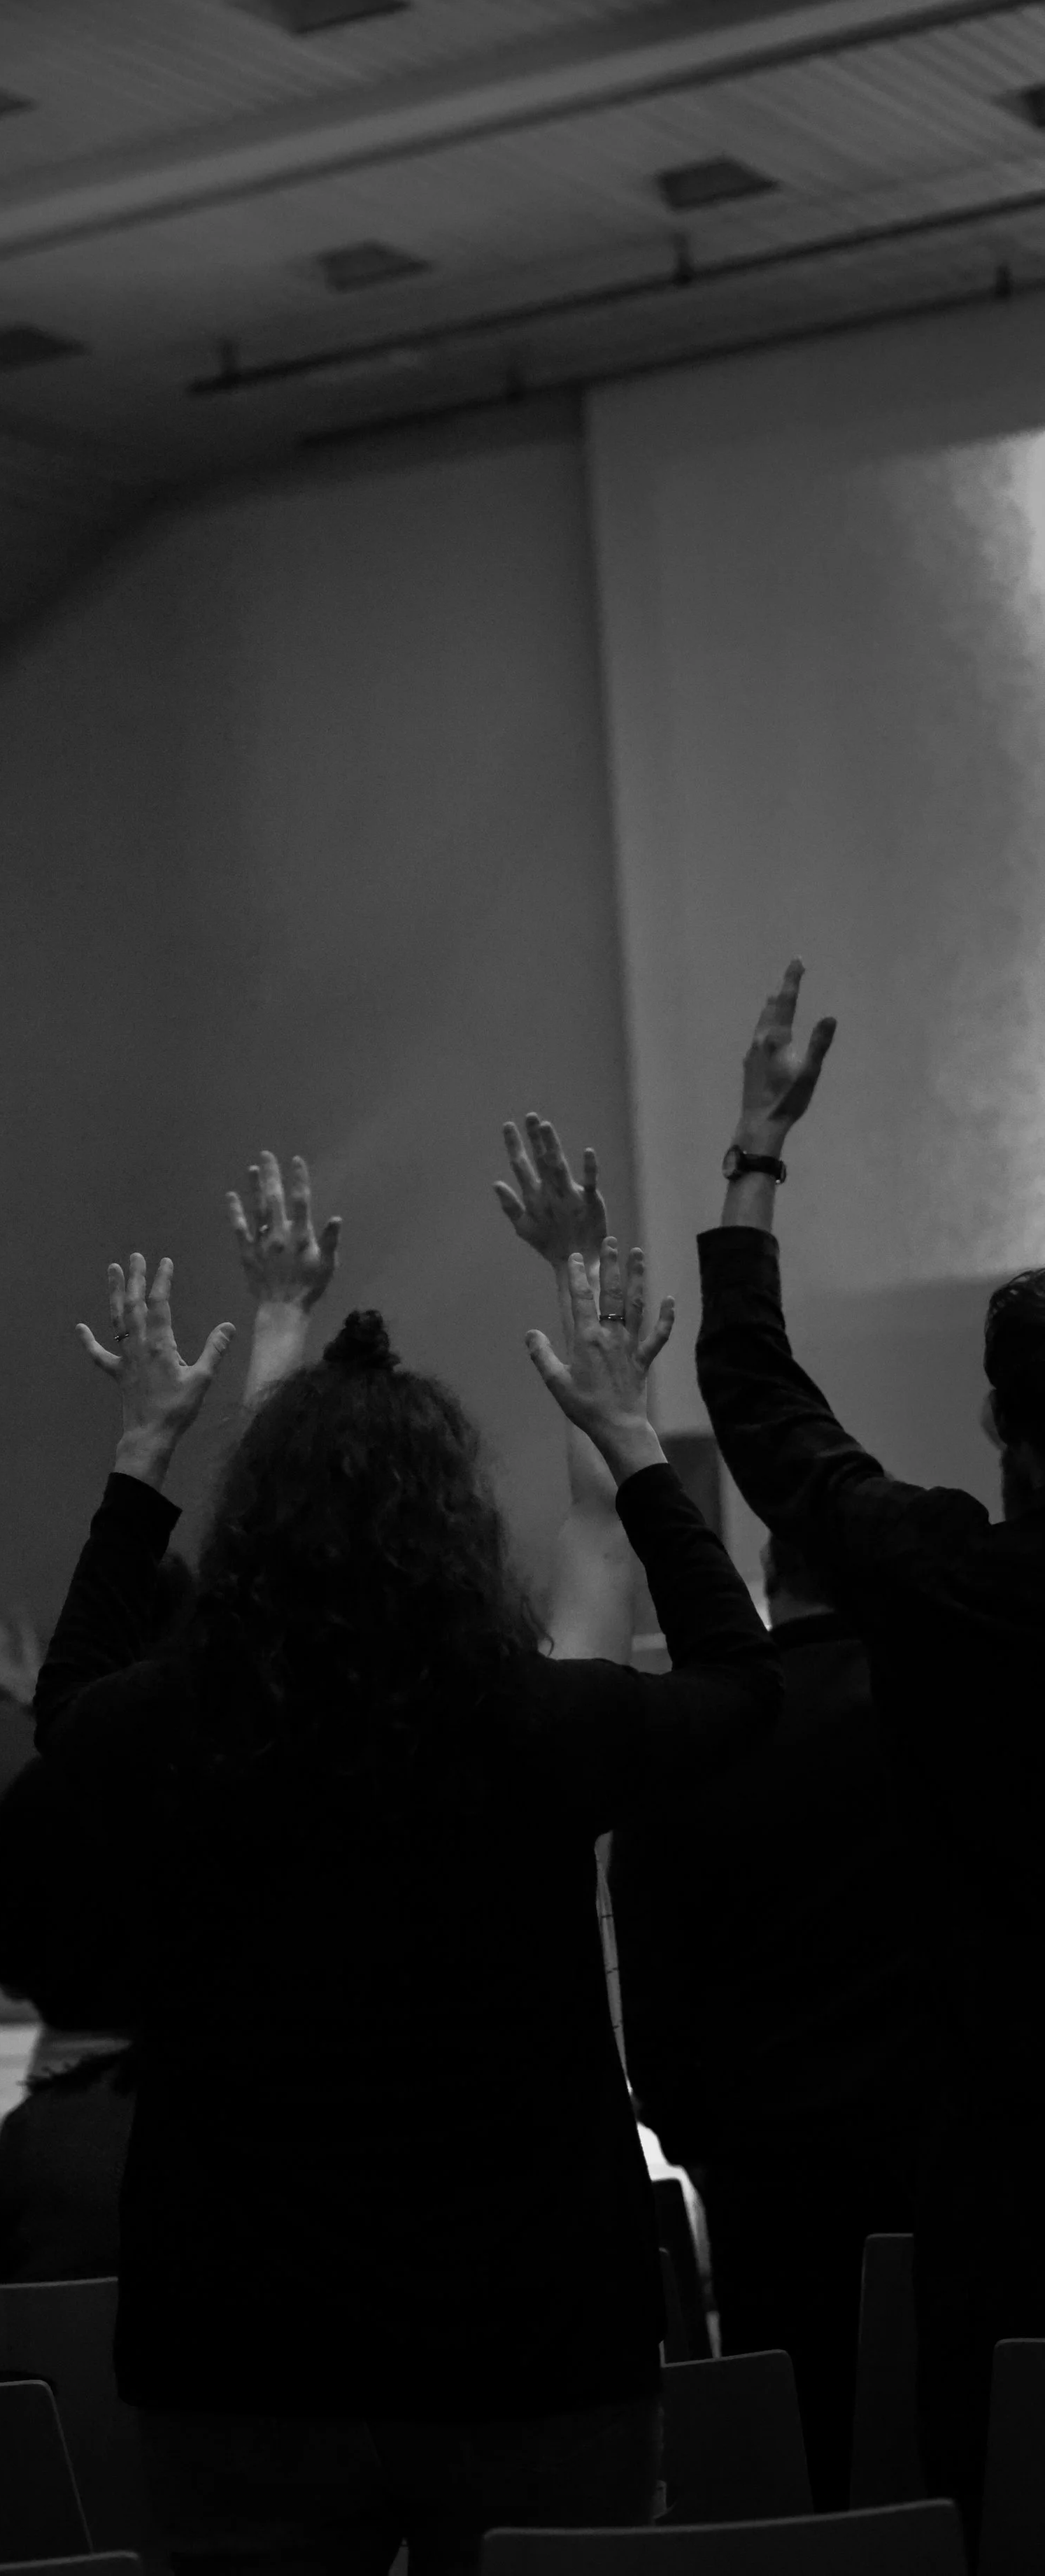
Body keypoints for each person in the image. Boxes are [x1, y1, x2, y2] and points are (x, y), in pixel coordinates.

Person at [15, 1162, 781, 2576]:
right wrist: (628, 1433)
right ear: (455, 1525)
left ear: (248, 1529)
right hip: (532, 2341)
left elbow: (63, 1703)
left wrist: (144, 1452)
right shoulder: (533, 1722)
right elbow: (740, 1684)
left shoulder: (187, 1727)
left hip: (240, 2350)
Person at [691, 960, 1045, 2545]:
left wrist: (754, 1157)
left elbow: (758, 1402)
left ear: (995, 1428)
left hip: (1003, 2168)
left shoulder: (943, 1582)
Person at [609, 1530, 934, 2506]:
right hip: (943, 2158)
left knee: (798, 2478)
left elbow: (655, 2000)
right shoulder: (942, 1714)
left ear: (770, 1579)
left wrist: (696, 2134)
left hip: (767, 2179)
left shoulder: (701, 1741)